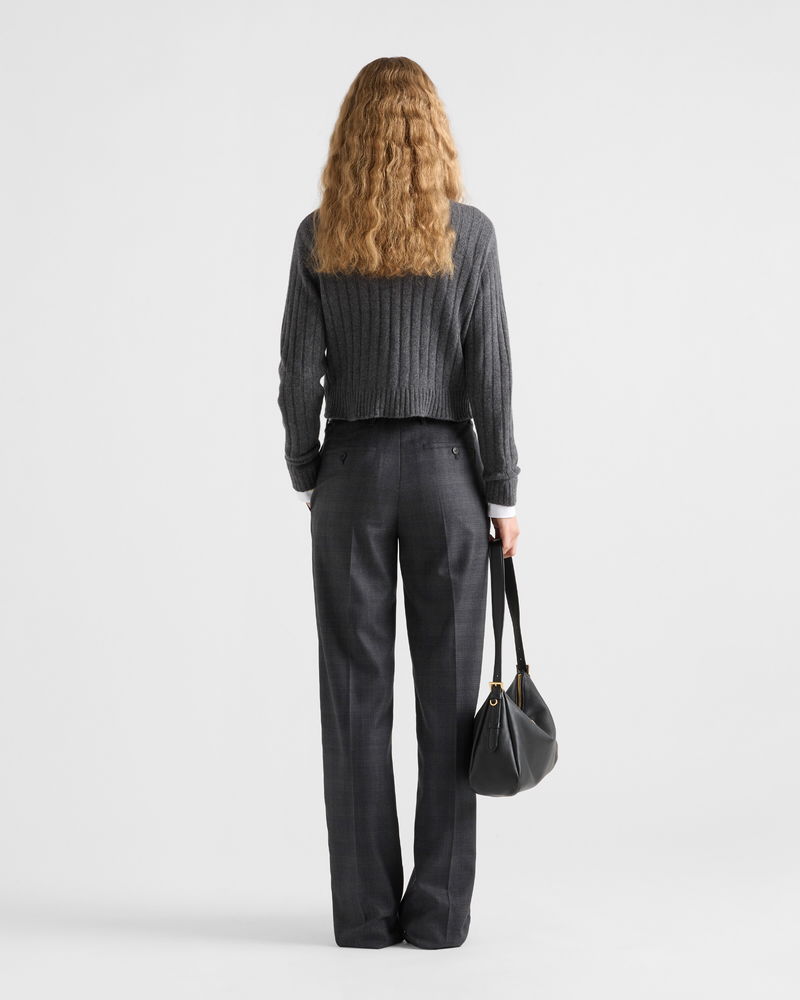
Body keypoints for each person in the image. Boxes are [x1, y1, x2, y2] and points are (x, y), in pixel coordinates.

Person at [277, 56, 521, 950]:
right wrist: (503, 493)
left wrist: (308, 468)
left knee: (353, 696)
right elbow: (491, 375)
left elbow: (296, 375)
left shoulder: (320, 235)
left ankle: (364, 915)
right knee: (449, 700)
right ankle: (441, 915)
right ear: (433, 132)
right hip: (449, 477)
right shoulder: (472, 234)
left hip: (350, 475)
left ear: (350, 135)